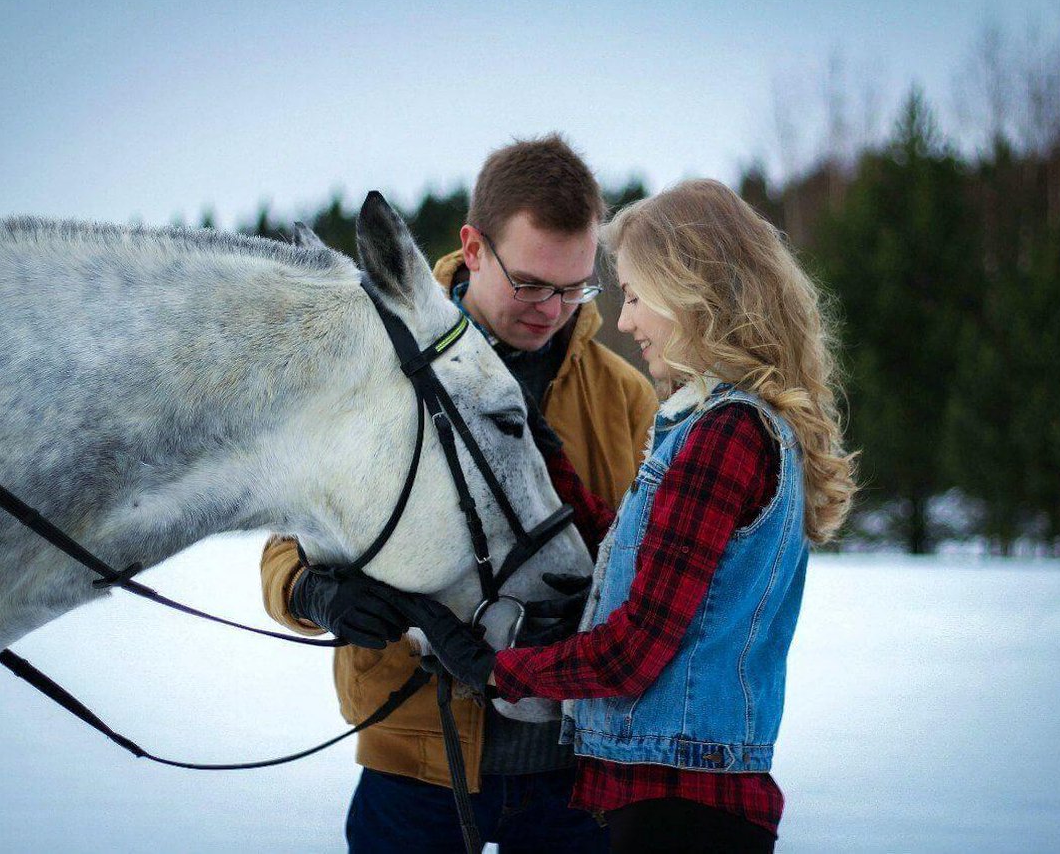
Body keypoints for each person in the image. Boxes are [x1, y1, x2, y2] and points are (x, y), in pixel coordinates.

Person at [409, 178, 858, 853]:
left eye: (639, 297)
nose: (625, 321)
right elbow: (639, 554)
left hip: (677, 812)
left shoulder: (723, 438)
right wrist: (545, 454)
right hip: (690, 798)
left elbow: (634, 650)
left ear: (693, 294)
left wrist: (499, 671)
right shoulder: (725, 423)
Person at [259, 135, 659, 852]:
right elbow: (285, 545)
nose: (553, 309)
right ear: (474, 248)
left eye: (575, 288)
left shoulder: (623, 396)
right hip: (414, 766)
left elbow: (644, 572)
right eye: (532, 284)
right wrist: (318, 595)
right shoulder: (381, 371)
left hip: (575, 776)